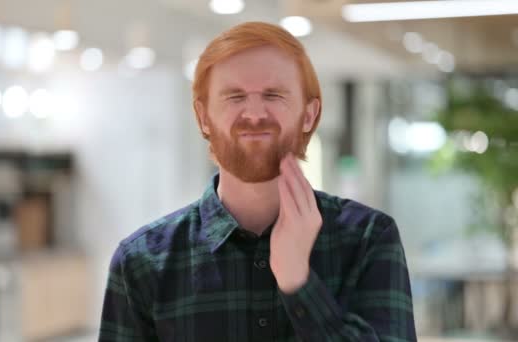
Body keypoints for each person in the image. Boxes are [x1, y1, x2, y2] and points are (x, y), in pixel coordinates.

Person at [99, 21, 416, 341]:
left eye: (273, 94)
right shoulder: (140, 262)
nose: (253, 114)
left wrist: (298, 281)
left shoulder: (369, 240)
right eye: (234, 96)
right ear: (203, 117)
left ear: (309, 114)